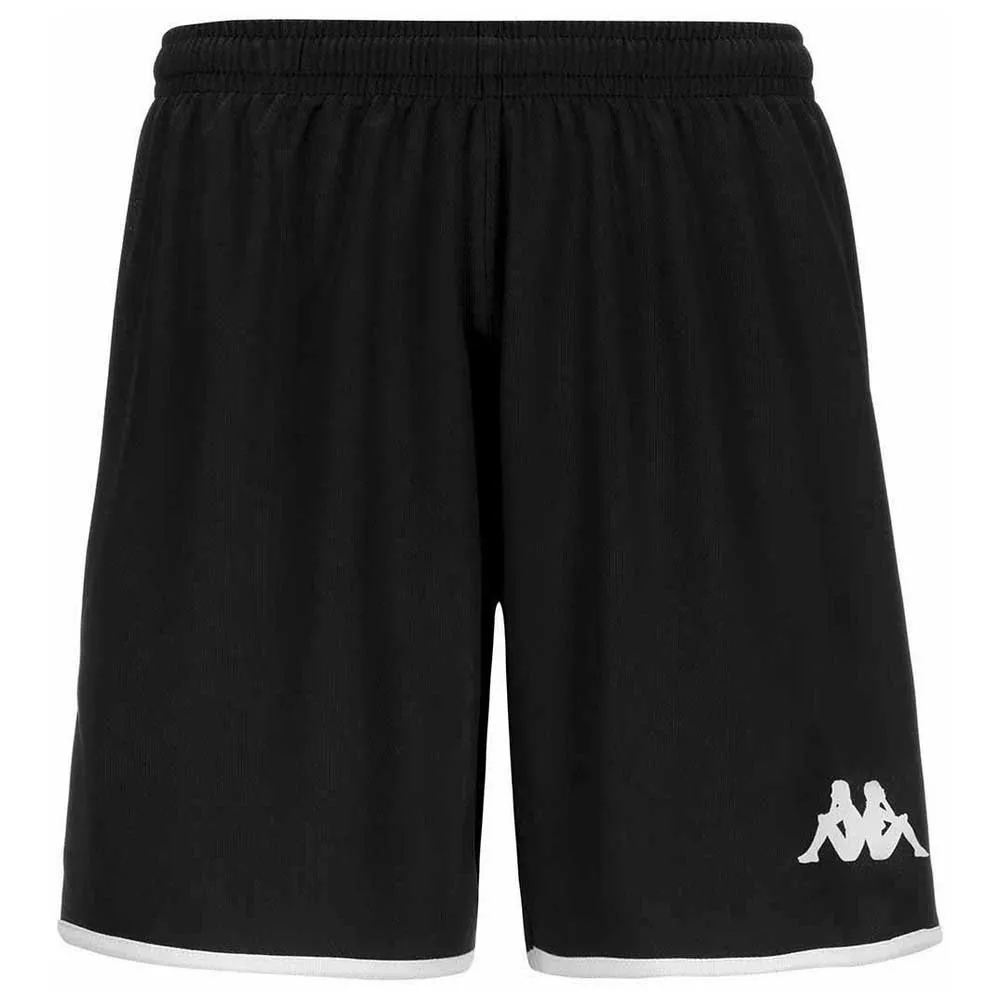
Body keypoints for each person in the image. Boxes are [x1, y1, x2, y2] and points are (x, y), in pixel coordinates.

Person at [797, 780, 865, 863]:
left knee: (824, 821)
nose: (831, 795)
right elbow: (830, 816)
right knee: (825, 821)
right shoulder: (849, 807)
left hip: (849, 853)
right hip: (851, 853)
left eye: (833, 792)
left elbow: (828, 819)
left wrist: (833, 803)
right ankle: (812, 852)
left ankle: (812, 852)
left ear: (840, 794)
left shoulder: (846, 808)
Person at [862, 780, 930, 860]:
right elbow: (894, 819)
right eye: (880, 789)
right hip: (880, 852)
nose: (883, 790)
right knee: (902, 821)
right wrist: (884, 801)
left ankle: (917, 848)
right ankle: (917, 848)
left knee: (901, 821)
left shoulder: (873, 808)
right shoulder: (873, 810)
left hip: (877, 852)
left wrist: (884, 801)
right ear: (875, 794)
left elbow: (893, 818)